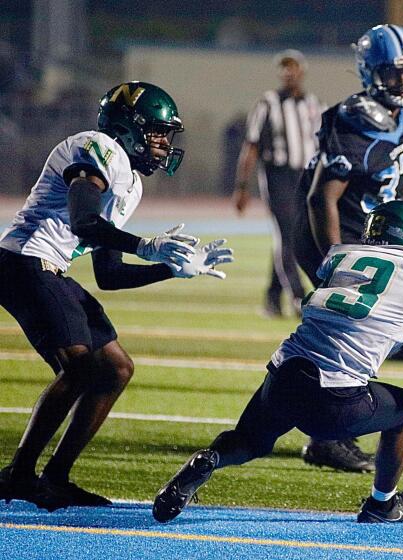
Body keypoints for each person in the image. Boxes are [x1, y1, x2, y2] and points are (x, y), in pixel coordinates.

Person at [152, 200, 403, 524]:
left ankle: (210, 459)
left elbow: (382, 321)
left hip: (285, 375)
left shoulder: (343, 259)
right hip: (336, 401)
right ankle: (383, 505)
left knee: (247, 441)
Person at [0, 81, 233, 511]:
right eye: (158, 132)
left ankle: (55, 478)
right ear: (129, 127)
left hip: (49, 269)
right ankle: (18, 474)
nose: (164, 143)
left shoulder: (129, 181)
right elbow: (85, 221)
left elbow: (108, 274)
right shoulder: (96, 148)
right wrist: (145, 245)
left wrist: (171, 270)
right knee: (81, 368)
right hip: (24, 262)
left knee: (115, 368)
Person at [293, 24, 403, 472]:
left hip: (371, 231)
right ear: (370, 73)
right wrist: (334, 260)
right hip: (329, 231)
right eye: (393, 73)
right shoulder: (353, 118)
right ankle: (325, 435)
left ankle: (327, 430)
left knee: (366, 331)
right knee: (344, 333)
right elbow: (320, 197)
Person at [233, 49, 322, 317]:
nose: (288, 72)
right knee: (287, 234)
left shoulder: (314, 104)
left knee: (293, 235)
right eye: (284, 67)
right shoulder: (268, 103)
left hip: (305, 176)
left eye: (292, 66)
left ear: (302, 70)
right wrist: (242, 186)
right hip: (278, 175)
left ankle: (272, 297)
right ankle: (298, 296)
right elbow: (251, 146)